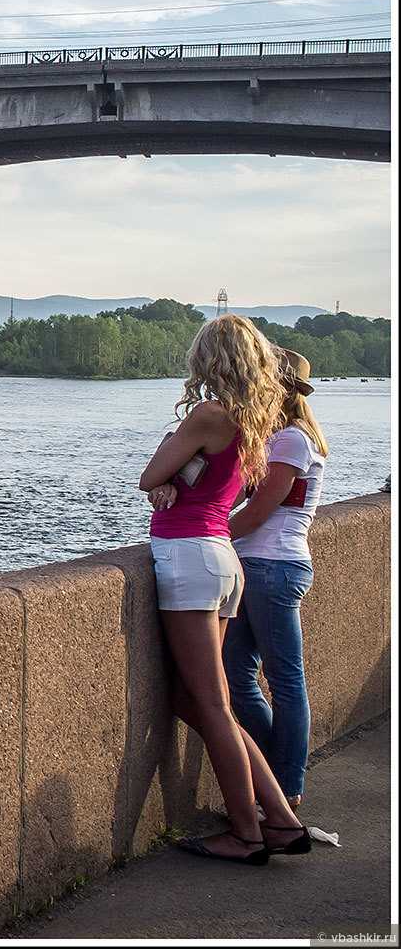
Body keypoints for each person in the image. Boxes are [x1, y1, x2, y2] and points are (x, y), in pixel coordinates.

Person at [138, 315, 309, 864]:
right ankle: (280, 821)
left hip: (189, 556)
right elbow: (185, 479)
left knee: (212, 705)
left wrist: (166, 466)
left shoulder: (209, 415)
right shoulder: (255, 421)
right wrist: (171, 477)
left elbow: (148, 475)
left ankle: (246, 835)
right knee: (203, 700)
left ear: (210, 361)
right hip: (221, 558)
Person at [221, 347, 326, 811]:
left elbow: (260, 512)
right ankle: (271, 778)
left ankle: (286, 786)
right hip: (252, 565)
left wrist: (206, 535)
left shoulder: (292, 440)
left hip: (274, 566)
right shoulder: (268, 438)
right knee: (234, 675)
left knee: (284, 678)